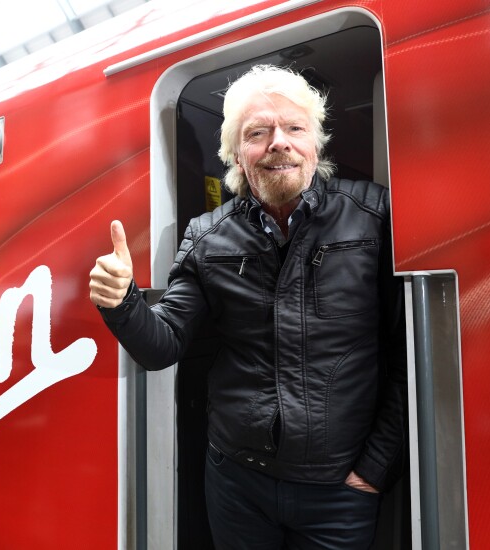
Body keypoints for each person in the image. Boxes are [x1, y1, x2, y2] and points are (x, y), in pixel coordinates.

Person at [89, 65, 407, 549]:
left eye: (294, 128)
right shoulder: (207, 236)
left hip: (339, 490)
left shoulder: (372, 217)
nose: (279, 142)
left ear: (315, 145)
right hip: (237, 483)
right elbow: (161, 345)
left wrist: (374, 469)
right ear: (237, 154)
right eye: (258, 132)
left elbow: (407, 349)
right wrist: (121, 301)